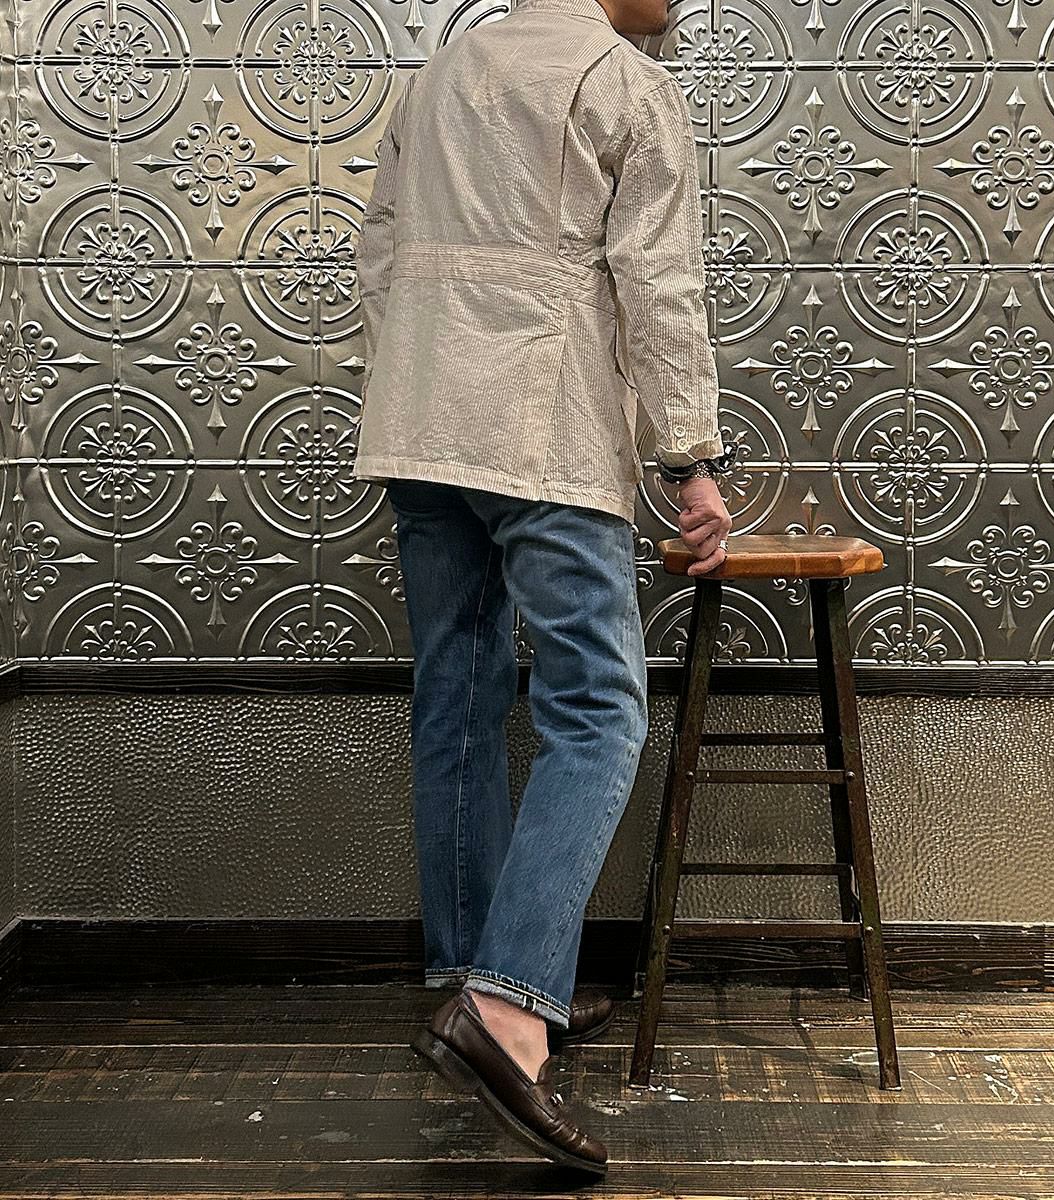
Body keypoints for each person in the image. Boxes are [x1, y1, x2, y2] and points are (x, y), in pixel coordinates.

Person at [352, 0, 735, 1176]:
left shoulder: (435, 76)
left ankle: (475, 983)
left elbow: (379, 257)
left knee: (457, 698)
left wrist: (413, 384)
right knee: (599, 710)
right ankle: (509, 1011)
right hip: (540, 423)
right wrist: (690, 460)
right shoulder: (624, 82)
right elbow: (659, 284)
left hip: (419, 422)